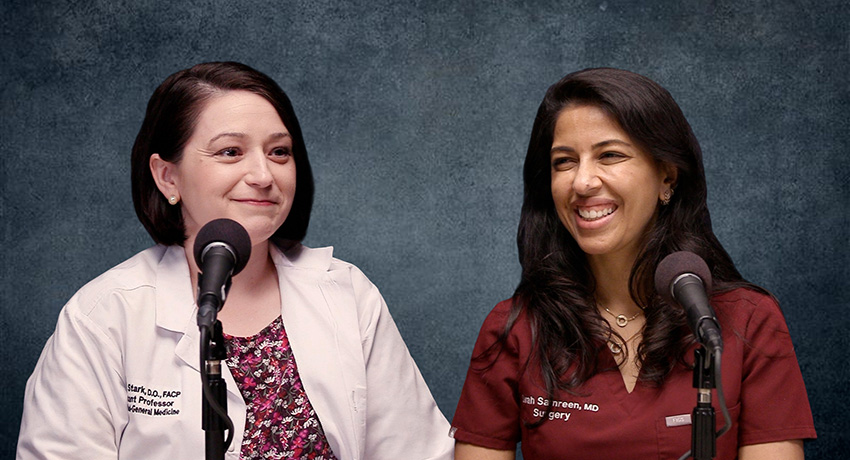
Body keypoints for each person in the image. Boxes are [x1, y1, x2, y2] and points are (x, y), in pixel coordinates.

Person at [17, 61, 454, 460]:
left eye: (279, 152)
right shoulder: (102, 316)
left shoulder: (347, 293)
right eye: (230, 152)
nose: (264, 176)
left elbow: (419, 451)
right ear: (167, 176)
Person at [451, 68, 816, 459]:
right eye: (564, 162)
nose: (583, 182)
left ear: (667, 177)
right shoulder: (515, 329)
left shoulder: (747, 322)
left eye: (610, 155)